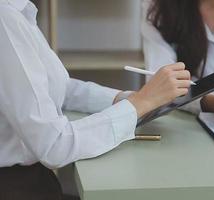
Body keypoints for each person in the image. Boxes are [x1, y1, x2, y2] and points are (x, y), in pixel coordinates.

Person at [0, 0, 192, 199]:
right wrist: (139, 103)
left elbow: (59, 88)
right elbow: (53, 146)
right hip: (15, 185)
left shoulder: (20, 13)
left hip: (31, 178)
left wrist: (127, 99)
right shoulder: (5, 19)